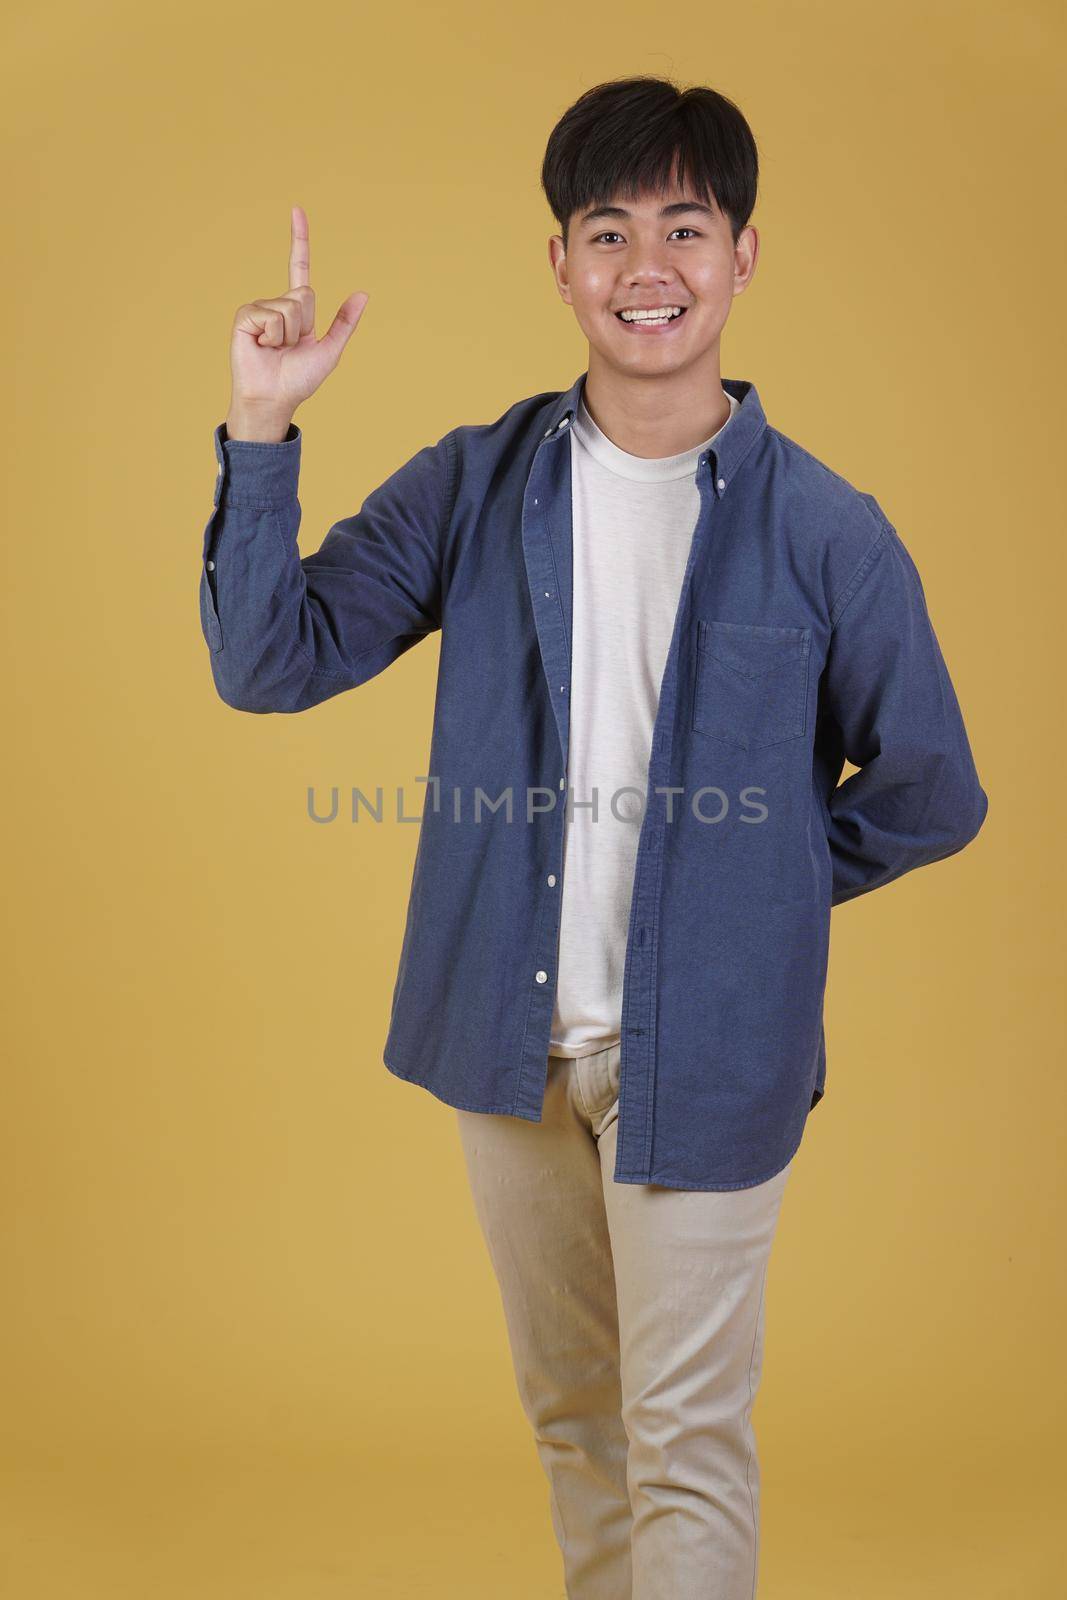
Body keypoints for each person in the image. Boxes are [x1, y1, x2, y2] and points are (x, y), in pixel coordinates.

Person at [199, 75, 988, 1600]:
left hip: (707, 1053)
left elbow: (931, 789)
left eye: (684, 227)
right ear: (558, 263)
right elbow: (265, 661)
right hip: (508, 1051)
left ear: (743, 255)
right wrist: (259, 427)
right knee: (579, 1427)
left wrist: (744, 896)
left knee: (684, 1437)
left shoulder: (828, 527)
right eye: (607, 228)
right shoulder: (474, 484)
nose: (648, 265)